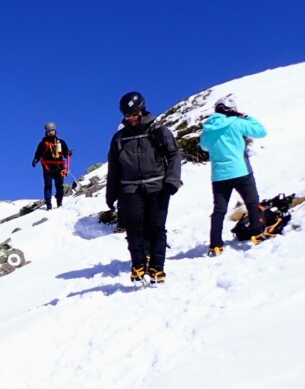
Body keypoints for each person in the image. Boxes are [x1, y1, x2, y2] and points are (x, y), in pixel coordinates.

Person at [106, 91, 182, 284]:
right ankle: (138, 264)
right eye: (126, 115)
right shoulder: (119, 138)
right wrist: (111, 193)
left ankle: (157, 267)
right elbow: (114, 167)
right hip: (130, 189)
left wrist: (172, 181)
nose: (130, 118)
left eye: (133, 113)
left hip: (158, 186)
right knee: (133, 228)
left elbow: (174, 154)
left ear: (142, 110)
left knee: (156, 227)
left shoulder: (158, 131)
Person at [199, 94, 268, 255]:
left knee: (219, 210)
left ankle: (215, 244)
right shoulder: (236, 122)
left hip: (219, 176)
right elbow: (261, 131)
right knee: (252, 202)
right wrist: (246, 117)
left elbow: (204, 147)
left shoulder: (207, 129)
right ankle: (257, 234)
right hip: (241, 171)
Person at [32, 122, 73, 210]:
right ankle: (48, 204)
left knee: (59, 186)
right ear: (46, 132)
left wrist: (68, 153)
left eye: (52, 131)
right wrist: (35, 160)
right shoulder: (43, 144)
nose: (50, 132)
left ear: (55, 131)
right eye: (48, 131)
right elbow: (38, 153)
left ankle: (59, 202)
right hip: (48, 167)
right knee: (48, 185)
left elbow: (65, 154)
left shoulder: (61, 142)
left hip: (59, 167)